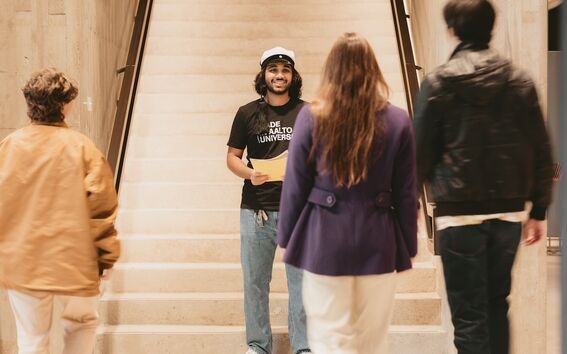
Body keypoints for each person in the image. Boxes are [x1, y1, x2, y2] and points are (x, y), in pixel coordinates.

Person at [413, 1, 553, 352]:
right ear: (490, 28)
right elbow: (540, 150)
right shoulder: (520, 81)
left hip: (458, 216)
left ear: (452, 30)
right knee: (496, 305)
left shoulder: (438, 83)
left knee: (469, 315)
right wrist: (538, 211)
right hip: (507, 214)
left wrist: (409, 205)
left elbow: (419, 154)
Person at [277, 33, 418, 354]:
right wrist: (407, 244)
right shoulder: (397, 121)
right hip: (379, 241)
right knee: (372, 341)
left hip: (324, 240)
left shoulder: (312, 117)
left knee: (328, 339)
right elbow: (407, 193)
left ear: (332, 70)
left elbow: (295, 186)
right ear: (373, 69)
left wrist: (286, 237)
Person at [0, 68, 120, 354]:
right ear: (65, 105)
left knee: (31, 339)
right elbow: (101, 209)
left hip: (22, 259)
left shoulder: (9, 147)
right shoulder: (81, 147)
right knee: (82, 324)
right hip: (74, 259)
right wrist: (106, 256)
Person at [226, 47, 310, 354]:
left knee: (301, 285)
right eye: (273, 69)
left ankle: (303, 347)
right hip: (256, 210)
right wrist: (249, 174)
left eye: (285, 70)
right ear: (264, 75)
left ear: (293, 76)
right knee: (255, 282)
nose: (279, 75)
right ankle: (259, 346)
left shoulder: (307, 113)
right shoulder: (247, 113)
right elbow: (232, 157)